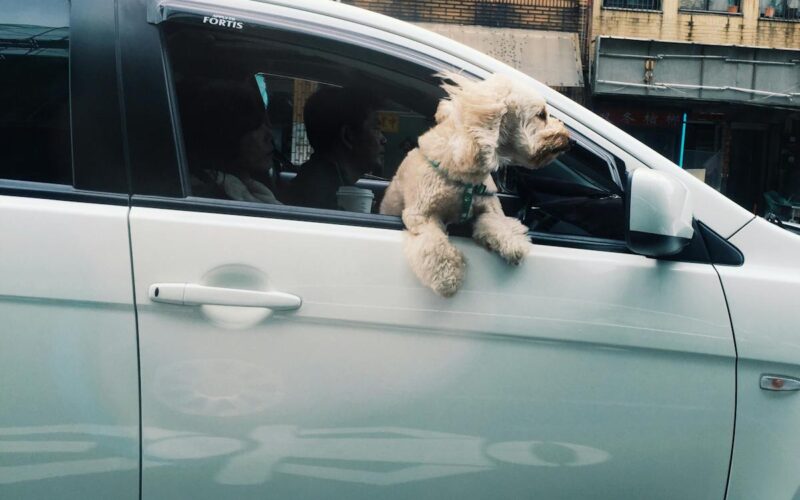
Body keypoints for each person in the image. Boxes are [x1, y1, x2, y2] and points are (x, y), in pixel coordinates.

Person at [178, 79, 282, 204]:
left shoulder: (242, 188)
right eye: (256, 125)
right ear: (228, 134)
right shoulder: (210, 198)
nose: (270, 135)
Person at [288, 86, 386, 210]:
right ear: (348, 136)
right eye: (376, 128)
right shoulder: (322, 195)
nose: (383, 139)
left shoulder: (320, 181)